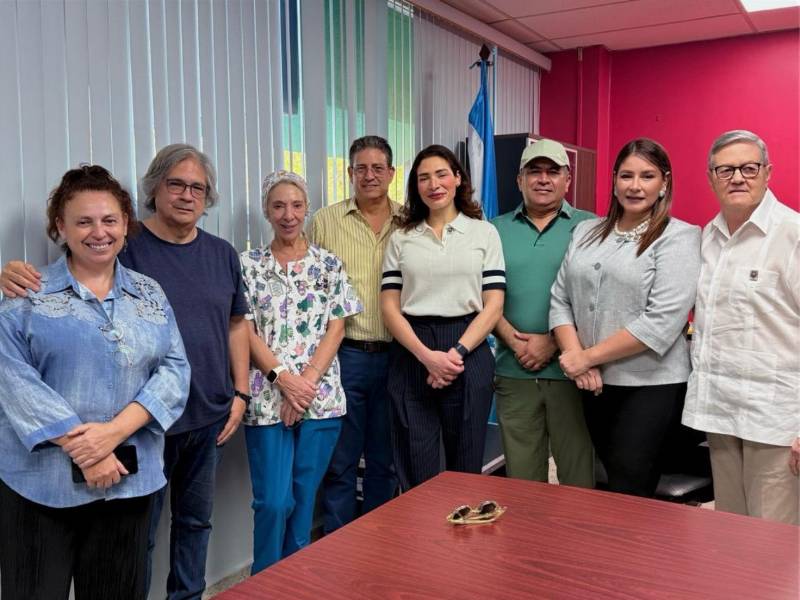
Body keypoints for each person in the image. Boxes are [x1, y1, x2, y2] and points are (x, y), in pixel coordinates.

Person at [1, 144, 250, 600]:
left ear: (124, 225)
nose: (99, 232)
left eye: (109, 220)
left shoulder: (149, 293)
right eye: (84, 221)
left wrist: (112, 435)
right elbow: (13, 381)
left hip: (129, 483)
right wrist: (88, 449)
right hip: (40, 487)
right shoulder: (26, 297)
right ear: (60, 227)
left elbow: (175, 369)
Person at [549, 138, 701, 498]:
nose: (635, 186)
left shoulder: (679, 237)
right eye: (627, 175)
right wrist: (576, 358)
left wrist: (586, 357)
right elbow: (560, 298)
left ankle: (637, 540)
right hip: (592, 383)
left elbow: (660, 321)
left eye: (647, 176)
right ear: (614, 179)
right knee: (606, 481)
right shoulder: (586, 231)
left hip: (649, 385)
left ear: (664, 182)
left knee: (630, 486)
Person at [240, 170, 361, 572]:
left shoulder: (329, 264)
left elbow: (337, 326)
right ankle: (262, 585)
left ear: (307, 208)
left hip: (320, 399)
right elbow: (244, 330)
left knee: (305, 501)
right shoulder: (248, 265)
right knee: (274, 503)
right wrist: (284, 381)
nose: (288, 214)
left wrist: (303, 385)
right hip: (266, 397)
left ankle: (294, 584)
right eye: (278, 206)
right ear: (266, 211)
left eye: (296, 205)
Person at [682, 130, 800, 525]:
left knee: (774, 542)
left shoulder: (792, 234)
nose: (737, 177)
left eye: (749, 168)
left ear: (767, 172)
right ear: (711, 177)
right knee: (731, 534)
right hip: (721, 413)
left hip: (776, 422)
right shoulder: (708, 237)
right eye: (725, 170)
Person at [380, 144, 505, 490]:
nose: (433, 184)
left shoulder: (484, 233)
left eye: (441, 174)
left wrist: (455, 354)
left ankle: (463, 528)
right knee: (414, 465)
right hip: (412, 350)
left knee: (465, 469)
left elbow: (494, 305)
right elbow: (389, 307)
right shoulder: (402, 237)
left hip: (468, 348)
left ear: (458, 178)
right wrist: (427, 357)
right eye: (423, 178)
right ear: (415, 186)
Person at [491, 139, 595, 487]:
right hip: (513, 370)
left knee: (578, 478)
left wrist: (553, 342)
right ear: (519, 180)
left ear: (568, 179)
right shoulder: (494, 230)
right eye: (534, 171)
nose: (543, 179)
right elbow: (480, 296)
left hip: (573, 372)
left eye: (553, 171)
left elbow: (599, 298)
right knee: (522, 482)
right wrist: (514, 341)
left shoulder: (591, 228)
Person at [312, 136, 400, 533]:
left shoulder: (410, 221)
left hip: (398, 357)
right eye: (361, 168)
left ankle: (377, 542)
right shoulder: (325, 222)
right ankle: (338, 543)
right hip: (345, 357)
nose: (369, 176)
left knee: (385, 460)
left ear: (391, 173)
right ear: (349, 173)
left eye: (377, 168)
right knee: (341, 461)